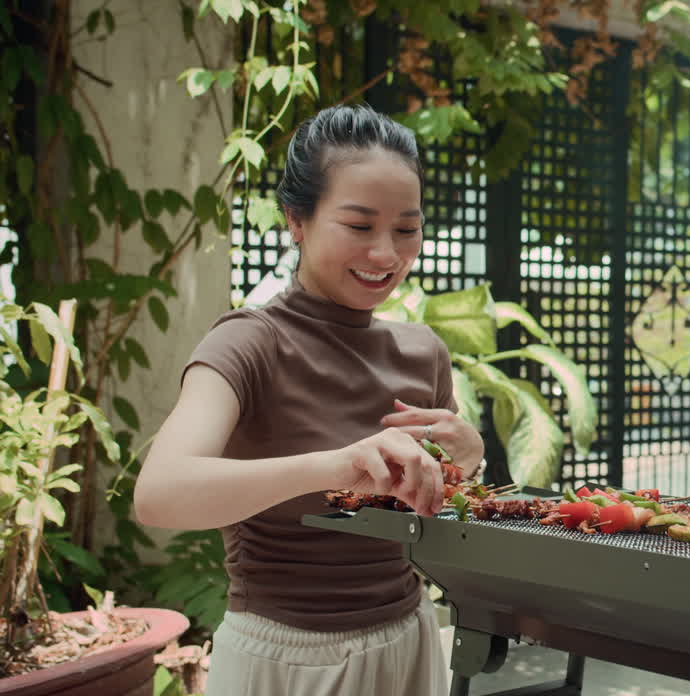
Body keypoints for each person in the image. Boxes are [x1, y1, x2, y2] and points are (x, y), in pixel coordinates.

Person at [134, 104, 483, 696]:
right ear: (296, 220)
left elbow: (432, 516)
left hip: (411, 639)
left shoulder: (423, 352)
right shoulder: (250, 343)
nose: (386, 254)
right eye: (359, 226)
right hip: (287, 659)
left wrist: (468, 464)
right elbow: (159, 495)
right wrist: (336, 466)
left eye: (406, 229)